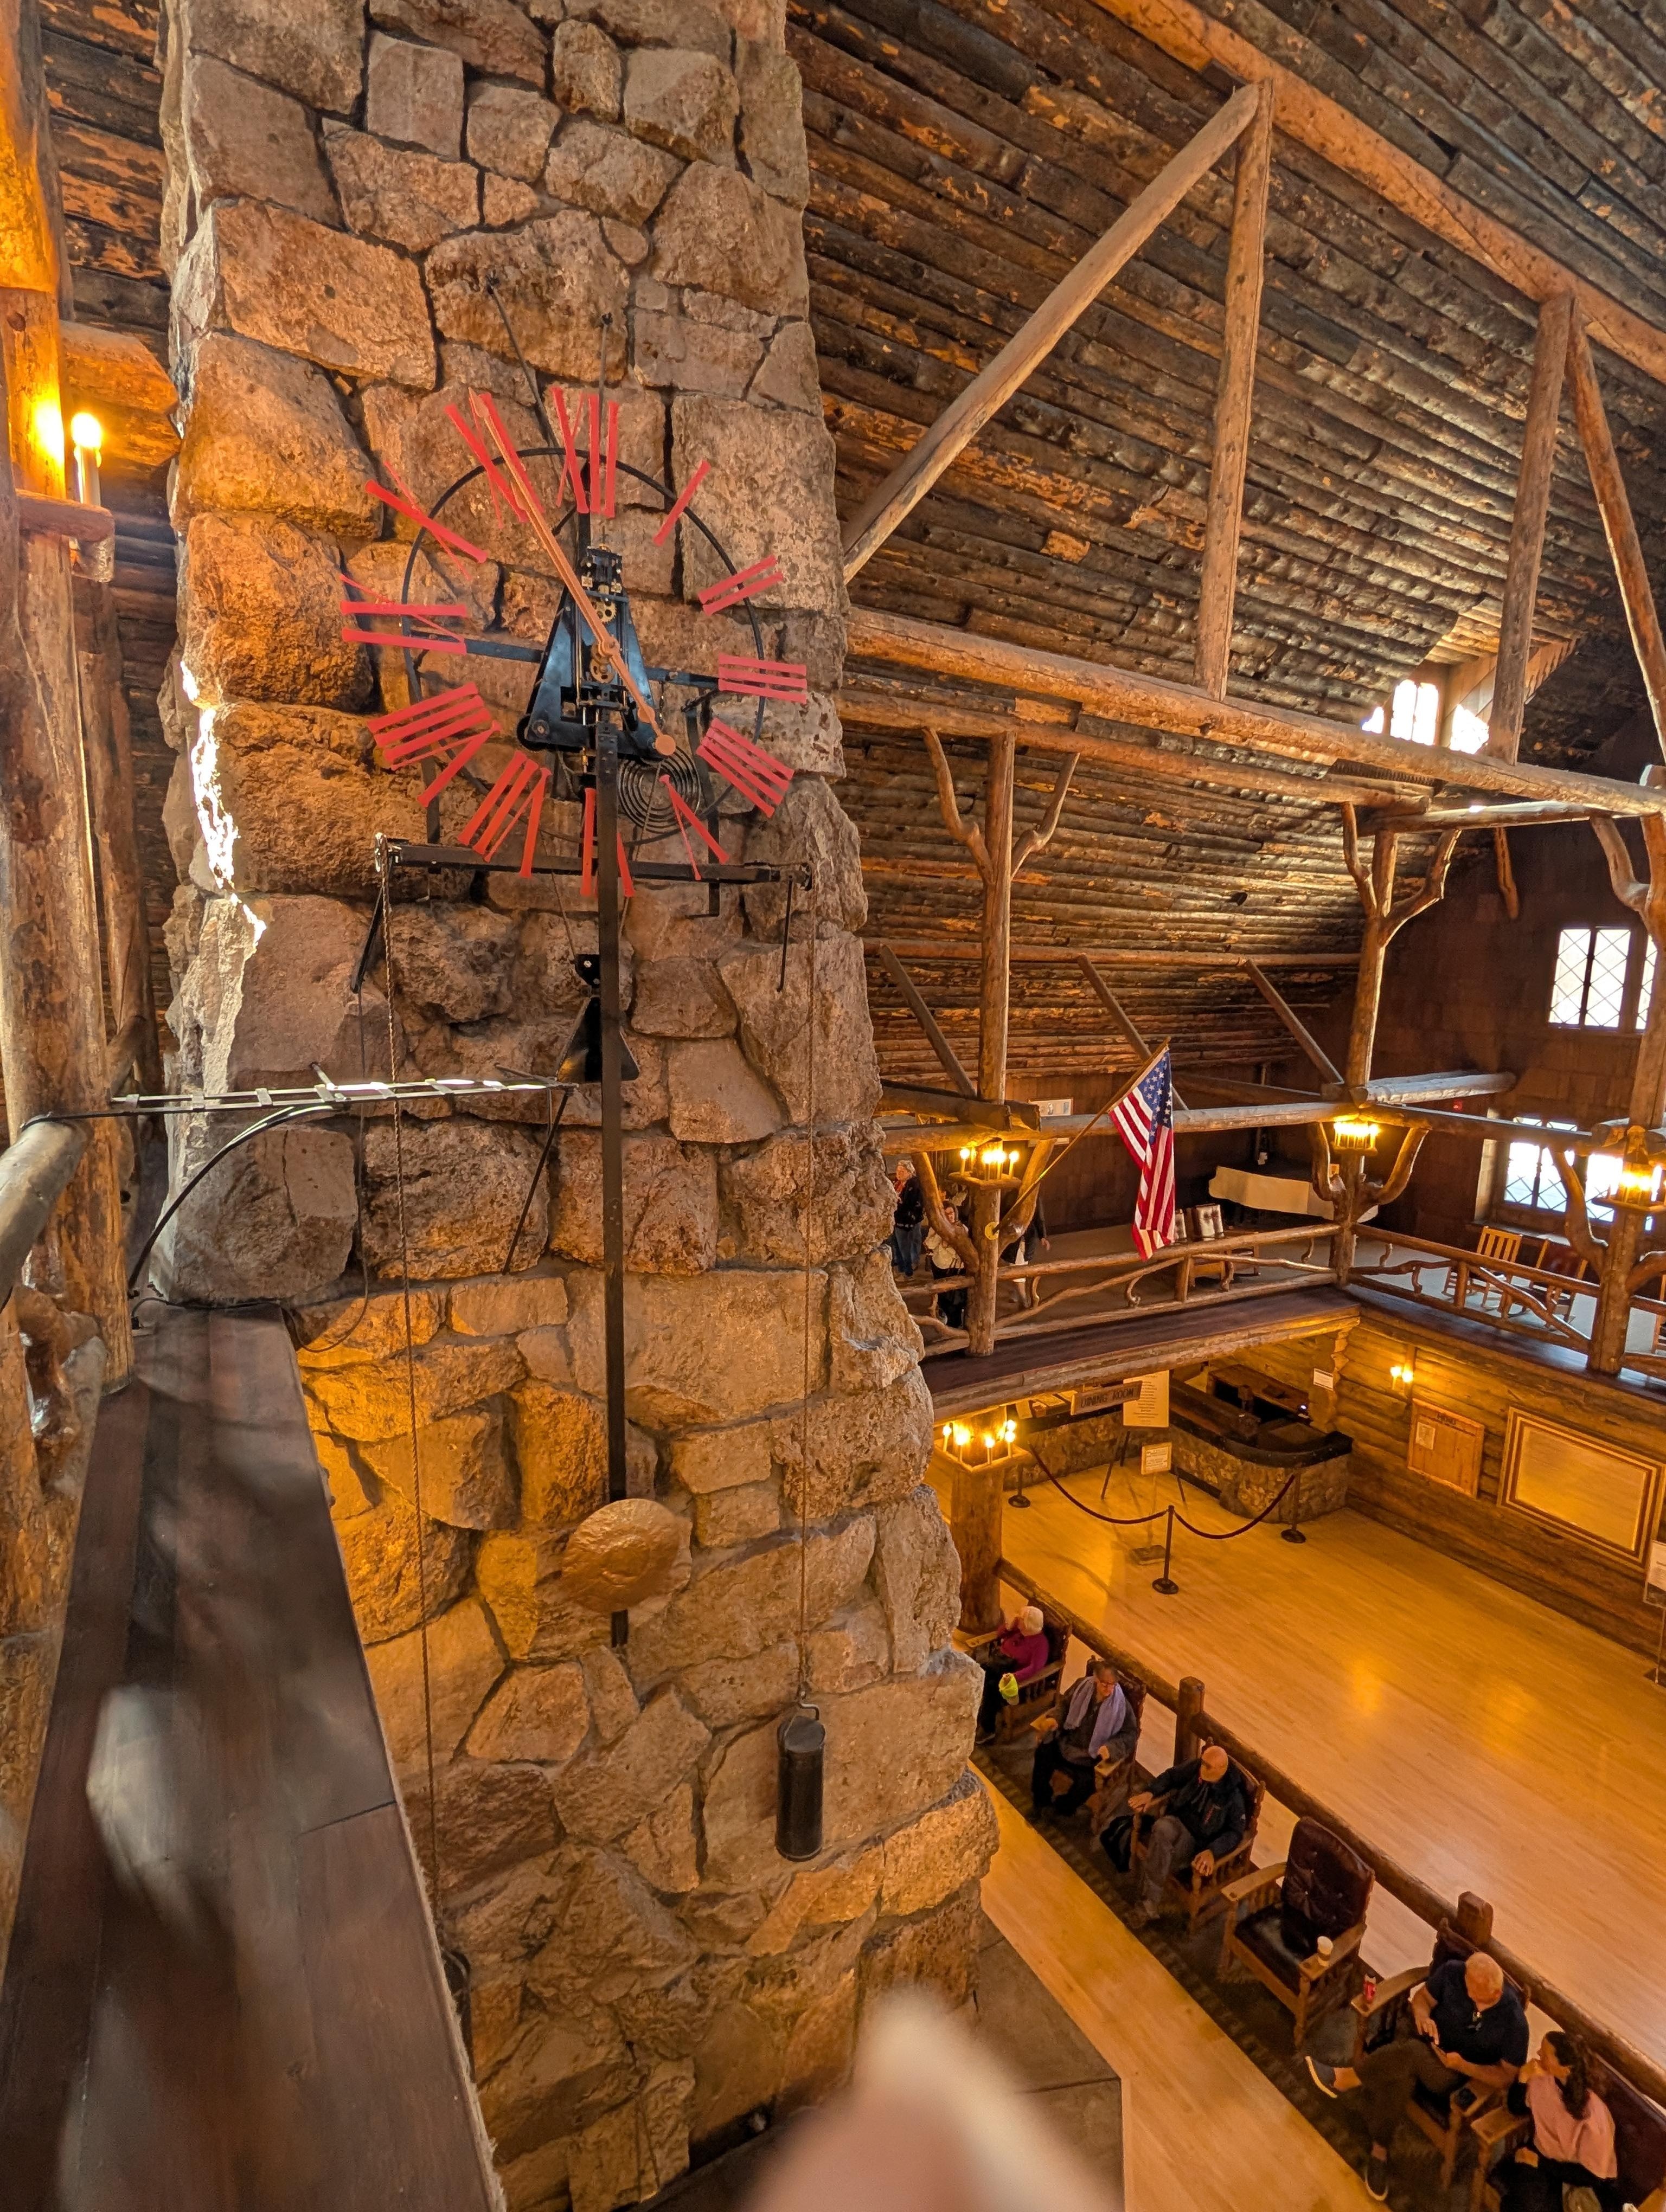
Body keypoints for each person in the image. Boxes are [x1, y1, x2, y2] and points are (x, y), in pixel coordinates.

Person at [1305, 1950, 1530, 2202]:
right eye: (1466, 1985)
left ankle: (1345, 2078)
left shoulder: (1514, 2022)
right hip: (1424, 2043)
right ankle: (1380, 2152)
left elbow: (1506, 2078)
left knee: (1410, 2054)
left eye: (1474, 1992)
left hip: (1453, 2075)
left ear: (1496, 1995)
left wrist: (1463, 2065)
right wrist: (1423, 2017)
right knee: (1403, 2075)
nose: (1467, 1994)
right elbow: (1422, 1999)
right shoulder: (1454, 1971)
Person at [1123, 1744, 1251, 1929]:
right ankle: (1149, 1903)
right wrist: (1151, 1792)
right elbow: (1171, 1776)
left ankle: (1148, 1899)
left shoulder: (1233, 1797)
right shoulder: (1198, 1767)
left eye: (1207, 1766)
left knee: (1160, 1855)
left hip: (1197, 1841)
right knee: (1161, 1828)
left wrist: (1213, 1851)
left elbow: (1235, 1833)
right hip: (1178, 1821)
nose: (1202, 1768)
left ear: (1221, 1769)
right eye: (1203, 1762)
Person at [1496, 2031, 1621, 2212]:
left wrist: (1540, 2163)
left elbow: (1593, 2176)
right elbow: (1516, 2108)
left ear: (1566, 2069)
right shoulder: (1542, 2079)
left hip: (1573, 2174)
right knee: (1520, 2203)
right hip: (1541, 2155)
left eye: (1545, 2054)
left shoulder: (1593, 2113)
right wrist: (1522, 2079)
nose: (1538, 2053)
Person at [1030, 1658, 1138, 1818]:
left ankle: (1062, 1807)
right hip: (1067, 1743)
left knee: (1087, 1785)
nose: (1109, 1689)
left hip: (1090, 1757)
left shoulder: (1122, 1706)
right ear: (1096, 1679)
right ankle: (1041, 1799)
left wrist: (1111, 1748)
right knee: (1042, 1753)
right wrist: (1055, 1719)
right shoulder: (1082, 1687)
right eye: (1104, 1684)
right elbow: (1065, 1705)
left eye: (1113, 1685)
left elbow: (1130, 1734)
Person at [976, 1606, 1052, 1737]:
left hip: (1012, 1675)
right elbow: (1000, 1634)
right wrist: (1009, 1627)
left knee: (991, 1688)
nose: (1017, 1619)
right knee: (978, 1673)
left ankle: (988, 1729)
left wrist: (1014, 1676)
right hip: (998, 1663)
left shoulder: (1041, 1644)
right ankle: (975, 1708)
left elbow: (1035, 1668)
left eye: (1020, 1618)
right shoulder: (1018, 1630)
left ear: (1028, 1624)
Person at [927, 1199, 967, 1330]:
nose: (950, 1216)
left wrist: (947, 1247)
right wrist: (941, 1232)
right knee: (944, 1294)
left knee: (956, 1297)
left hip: (957, 1268)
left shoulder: (962, 1228)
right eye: (946, 1214)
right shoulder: (935, 1228)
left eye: (951, 1213)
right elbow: (930, 1244)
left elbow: (963, 1250)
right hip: (941, 1267)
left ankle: (955, 1324)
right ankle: (945, 1313)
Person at [888, 1159, 925, 1279]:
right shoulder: (897, 1183)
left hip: (911, 1219)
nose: (899, 1173)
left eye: (902, 1171)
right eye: (898, 1171)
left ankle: (912, 1264)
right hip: (898, 1218)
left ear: (909, 1172)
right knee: (899, 1243)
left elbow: (913, 1202)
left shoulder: (914, 1185)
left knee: (912, 1241)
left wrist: (899, 1202)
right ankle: (901, 1264)